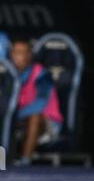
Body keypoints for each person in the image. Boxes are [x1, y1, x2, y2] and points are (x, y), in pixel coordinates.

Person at [10, 37, 63, 166]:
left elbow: (41, 103)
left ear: (29, 55)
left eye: (21, 52)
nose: (17, 57)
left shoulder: (41, 74)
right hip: (19, 121)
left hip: (48, 124)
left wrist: (12, 116)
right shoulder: (8, 73)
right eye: (15, 53)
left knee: (34, 117)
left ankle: (25, 161)